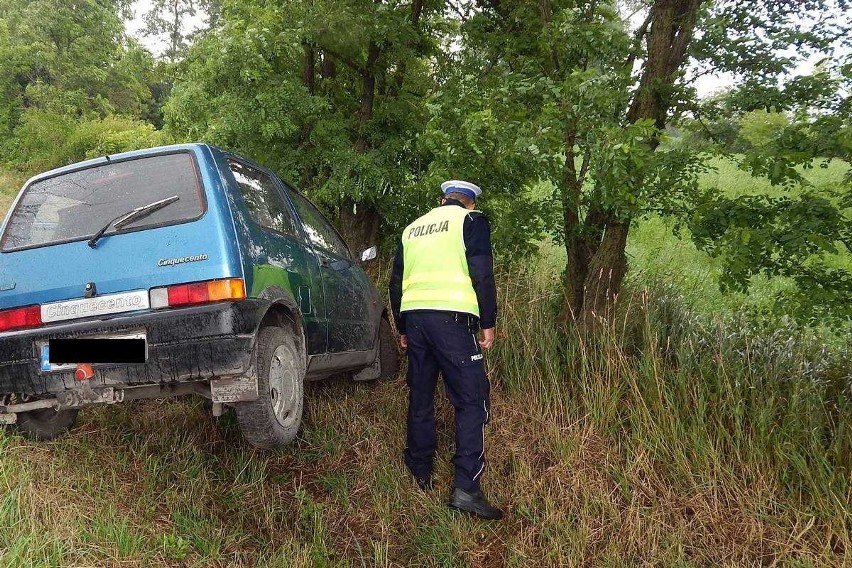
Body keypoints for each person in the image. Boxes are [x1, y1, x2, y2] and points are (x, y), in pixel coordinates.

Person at [389, 179, 502, 520]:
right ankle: (466, 489)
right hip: (453, 323)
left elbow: (396, 282)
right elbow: (482, 273)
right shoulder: (471, 221)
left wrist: (402, 327)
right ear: (469, 202)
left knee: (421, 396)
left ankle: (420, 471)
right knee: (472, 400)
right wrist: (488, 321)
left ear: (442, 200)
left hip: (417, 321)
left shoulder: (412, 229)